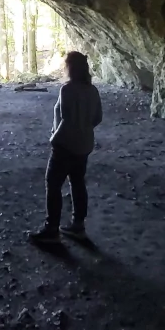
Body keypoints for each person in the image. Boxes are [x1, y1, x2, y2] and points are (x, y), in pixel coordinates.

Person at [31, 51, 102, 244]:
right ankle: (78, 226)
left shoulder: (67, 89)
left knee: (53, 184)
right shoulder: (92, 90)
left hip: (65, 144)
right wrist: (84, 129)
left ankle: (52, 229)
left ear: (71, 67)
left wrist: (55, 138)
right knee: (77, 183)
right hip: (84, 145)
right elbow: (97, 118)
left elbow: (66, 118)